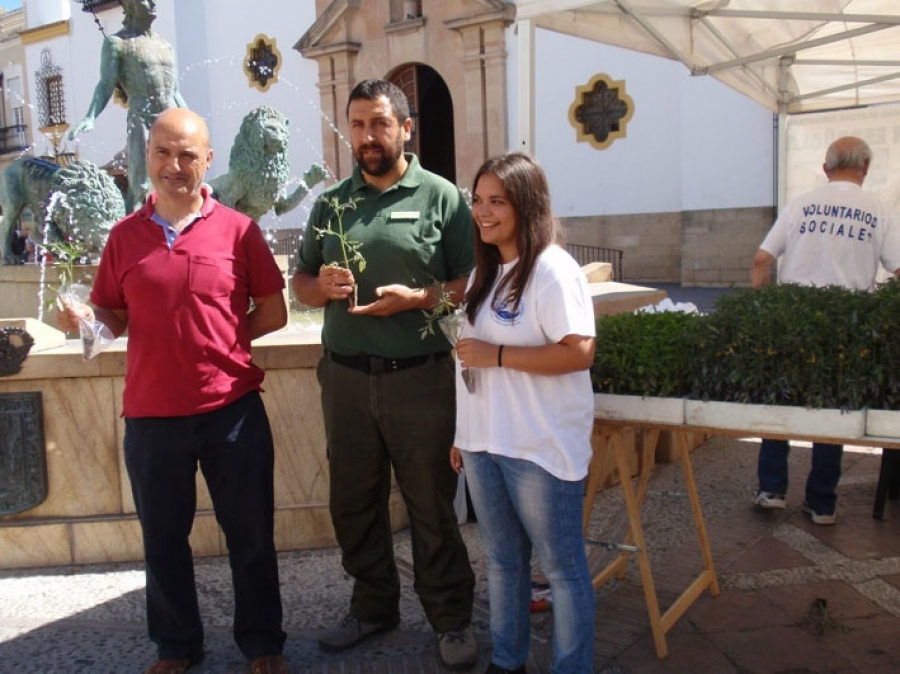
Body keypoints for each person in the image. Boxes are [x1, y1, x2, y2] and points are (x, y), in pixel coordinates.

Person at [57, 108, 289, 674]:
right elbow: (110, 313)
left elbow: (277, 311)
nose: (174, 165)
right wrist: (83, 320)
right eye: (163, 152)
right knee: (163, 541)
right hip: (152, 415)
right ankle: (177, 646)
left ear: (208, 160)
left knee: (251, 536)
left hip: (231, 411)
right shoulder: (124, 237)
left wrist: (222, 342)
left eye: (187, 154)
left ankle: (263, 644)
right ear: (148, 159)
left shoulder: (239, 230)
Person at [292, 78, 478, 671]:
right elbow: (299, 283)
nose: (367, 137)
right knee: (353, 501)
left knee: (430, 504)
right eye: (356, 124)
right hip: (345, 378)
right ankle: (373, 606)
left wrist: (418, 298)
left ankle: (450, 619)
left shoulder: (442, 197)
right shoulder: (332, 202)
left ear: (405, 127)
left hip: (419, 378)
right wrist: (319, 287)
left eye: (378, 123)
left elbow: (467, 288)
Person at [449, 152, 596, 674]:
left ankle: (571, 667)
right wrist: (462, 435)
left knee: (560, 570)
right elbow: (470, 362)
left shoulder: (554, 270)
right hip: (486, 445)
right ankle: (507, 662)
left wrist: (501, 356)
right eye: (478, 201)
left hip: (538, 449)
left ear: (526, 206)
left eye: (497, 202)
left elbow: (579, 351)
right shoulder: (484, 273)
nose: (483, 212)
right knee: (504, 563)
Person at [751, 135, 900, 525]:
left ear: (825, 168)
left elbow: (761, 258)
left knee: (780, 401)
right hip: (847, 327)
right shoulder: (879, 211)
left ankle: (772, 489)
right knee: (834, 409)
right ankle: (822, 504)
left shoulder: (800, 206)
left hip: (793, 320)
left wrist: (760, 310)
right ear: (865, 168)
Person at [69, 0, 187, 212]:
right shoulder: (117, 43)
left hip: (171, 122)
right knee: (141, 184)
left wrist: (193, 125)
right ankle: (132, 236)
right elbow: (105, 84)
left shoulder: (165, 46)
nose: (153, 4)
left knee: (182, 179)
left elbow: (175, 92)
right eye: (146, 1)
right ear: (131, 6)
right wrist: (90, 117)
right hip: (141, 120)